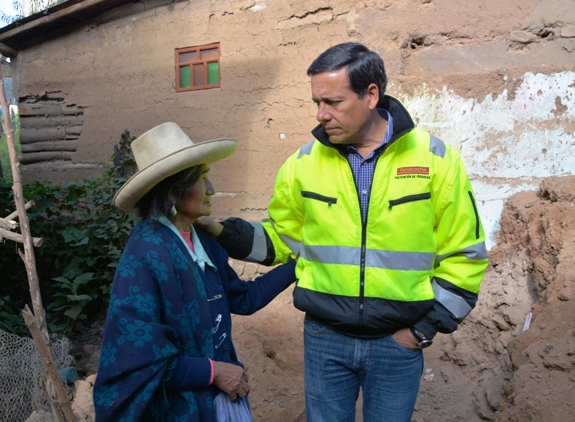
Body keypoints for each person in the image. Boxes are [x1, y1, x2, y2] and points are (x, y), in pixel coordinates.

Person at [196, 42, 489, 421]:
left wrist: (421, 331)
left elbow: (466, 256)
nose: (321, 114)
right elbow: (281, 240)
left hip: (397, 343)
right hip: (324, 339)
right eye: (316, 102)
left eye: (333, 102)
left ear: (371, 95)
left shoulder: (435, 161)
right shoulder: (302, 164)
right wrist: (222, 231)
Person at [92, 122, 297, 421]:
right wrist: (212, 371)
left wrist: (300, 266)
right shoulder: (146, 254)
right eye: (203, 179)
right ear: (175, 193)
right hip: (177, 411)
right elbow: (140, 361)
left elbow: (243, 298)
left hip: (218, 399)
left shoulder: (201, 240)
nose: (212, 189)